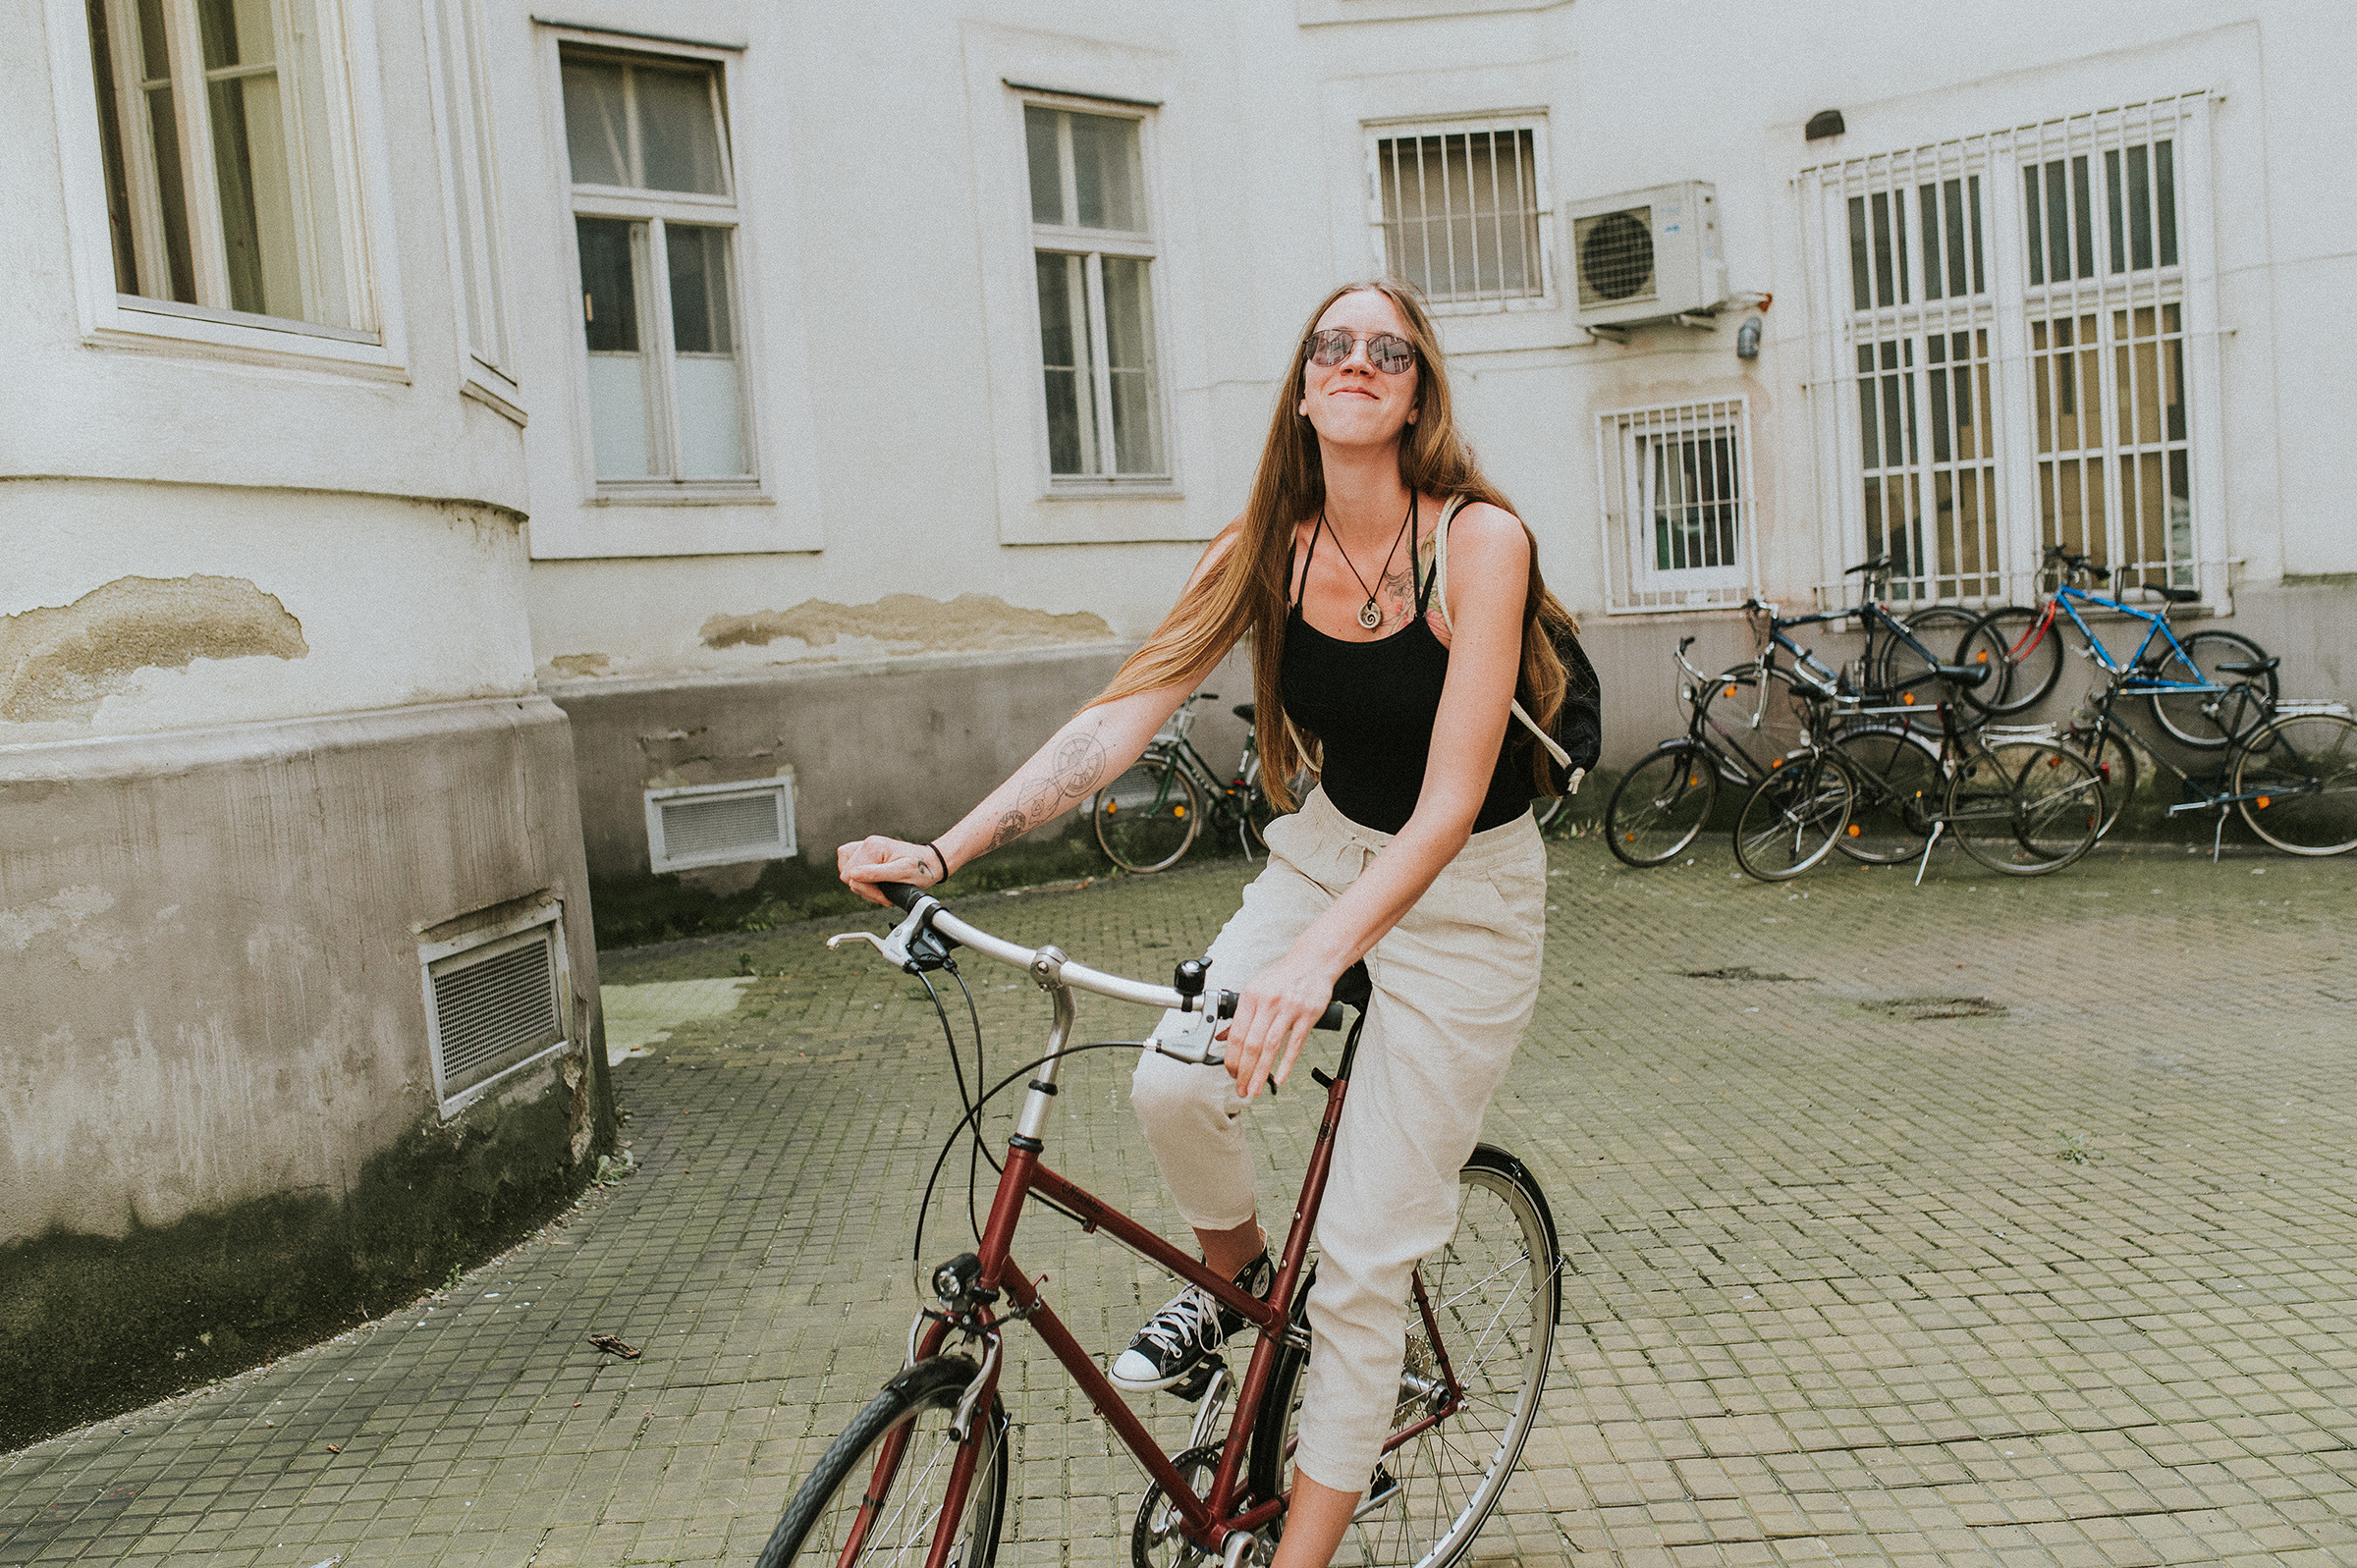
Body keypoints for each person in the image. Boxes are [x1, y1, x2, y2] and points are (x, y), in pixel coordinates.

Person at [839, 277, 1575, 1568]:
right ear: (1302, 386)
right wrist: (949, 845)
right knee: (1174, 1077)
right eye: (1330, 346)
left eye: (1385, 350)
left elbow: (1454, 800)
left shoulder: (1479, 543)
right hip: (1332, 851)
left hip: (1465, 896)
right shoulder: (1262, 546)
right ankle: (1242, 1294)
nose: (1355, 362)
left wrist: (1316, 958)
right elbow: (1119, 718)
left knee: (1357, 1271)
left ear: (1417, 391)